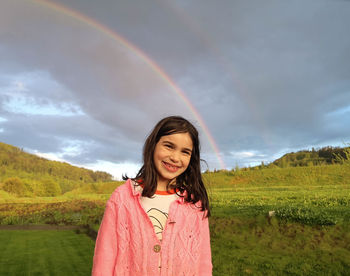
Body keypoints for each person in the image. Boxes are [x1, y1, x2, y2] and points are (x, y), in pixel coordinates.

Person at [92, 116, 212, 276]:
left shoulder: (195, 204)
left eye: (185, 152)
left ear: (192, 158)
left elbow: (203, 262)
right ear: (153, 145)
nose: (175, 158)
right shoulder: (121, 199)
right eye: (169, 146)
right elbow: (104, 259)